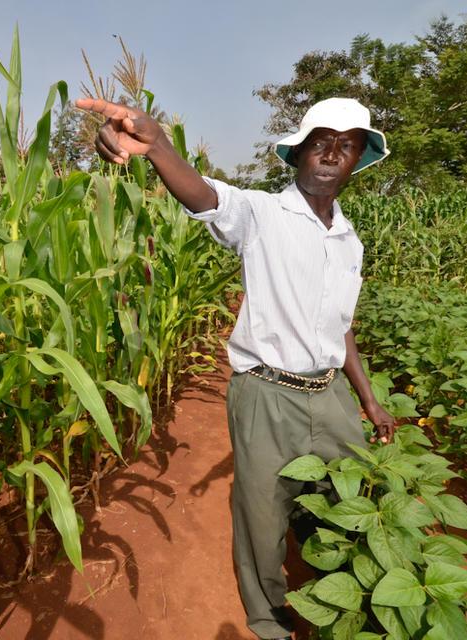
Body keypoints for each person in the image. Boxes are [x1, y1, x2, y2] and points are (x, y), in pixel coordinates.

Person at [75, 96, 397, 640]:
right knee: (263, 516)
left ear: (357, 160)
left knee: (347, 502)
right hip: (266, 392)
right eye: (320, 142)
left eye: (346, 146)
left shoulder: (349, 241)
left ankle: (341, 607)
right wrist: (156, 146)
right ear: (298, 154)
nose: (330, 154)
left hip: (332, 395)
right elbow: (204, 195)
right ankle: (270, 621)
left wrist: (367, 398)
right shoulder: (262, 213)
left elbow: (340, 323)